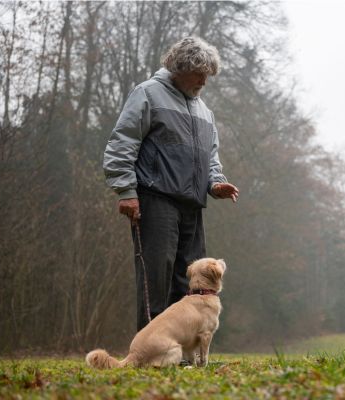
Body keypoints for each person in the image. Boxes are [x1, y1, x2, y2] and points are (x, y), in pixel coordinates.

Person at [103, 36, 239, 332]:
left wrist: (216, 183)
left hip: (192, 205)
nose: (204, 80)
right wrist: (126, 191)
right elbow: (122, 142)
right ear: (179, 67)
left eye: (208, 74)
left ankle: (181, 354)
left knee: (192, 282)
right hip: (155, 199)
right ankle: (149, 351)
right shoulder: (148, 94)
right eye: (199, 72)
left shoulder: (204, 111)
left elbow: (210, 156)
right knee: (156, 277)